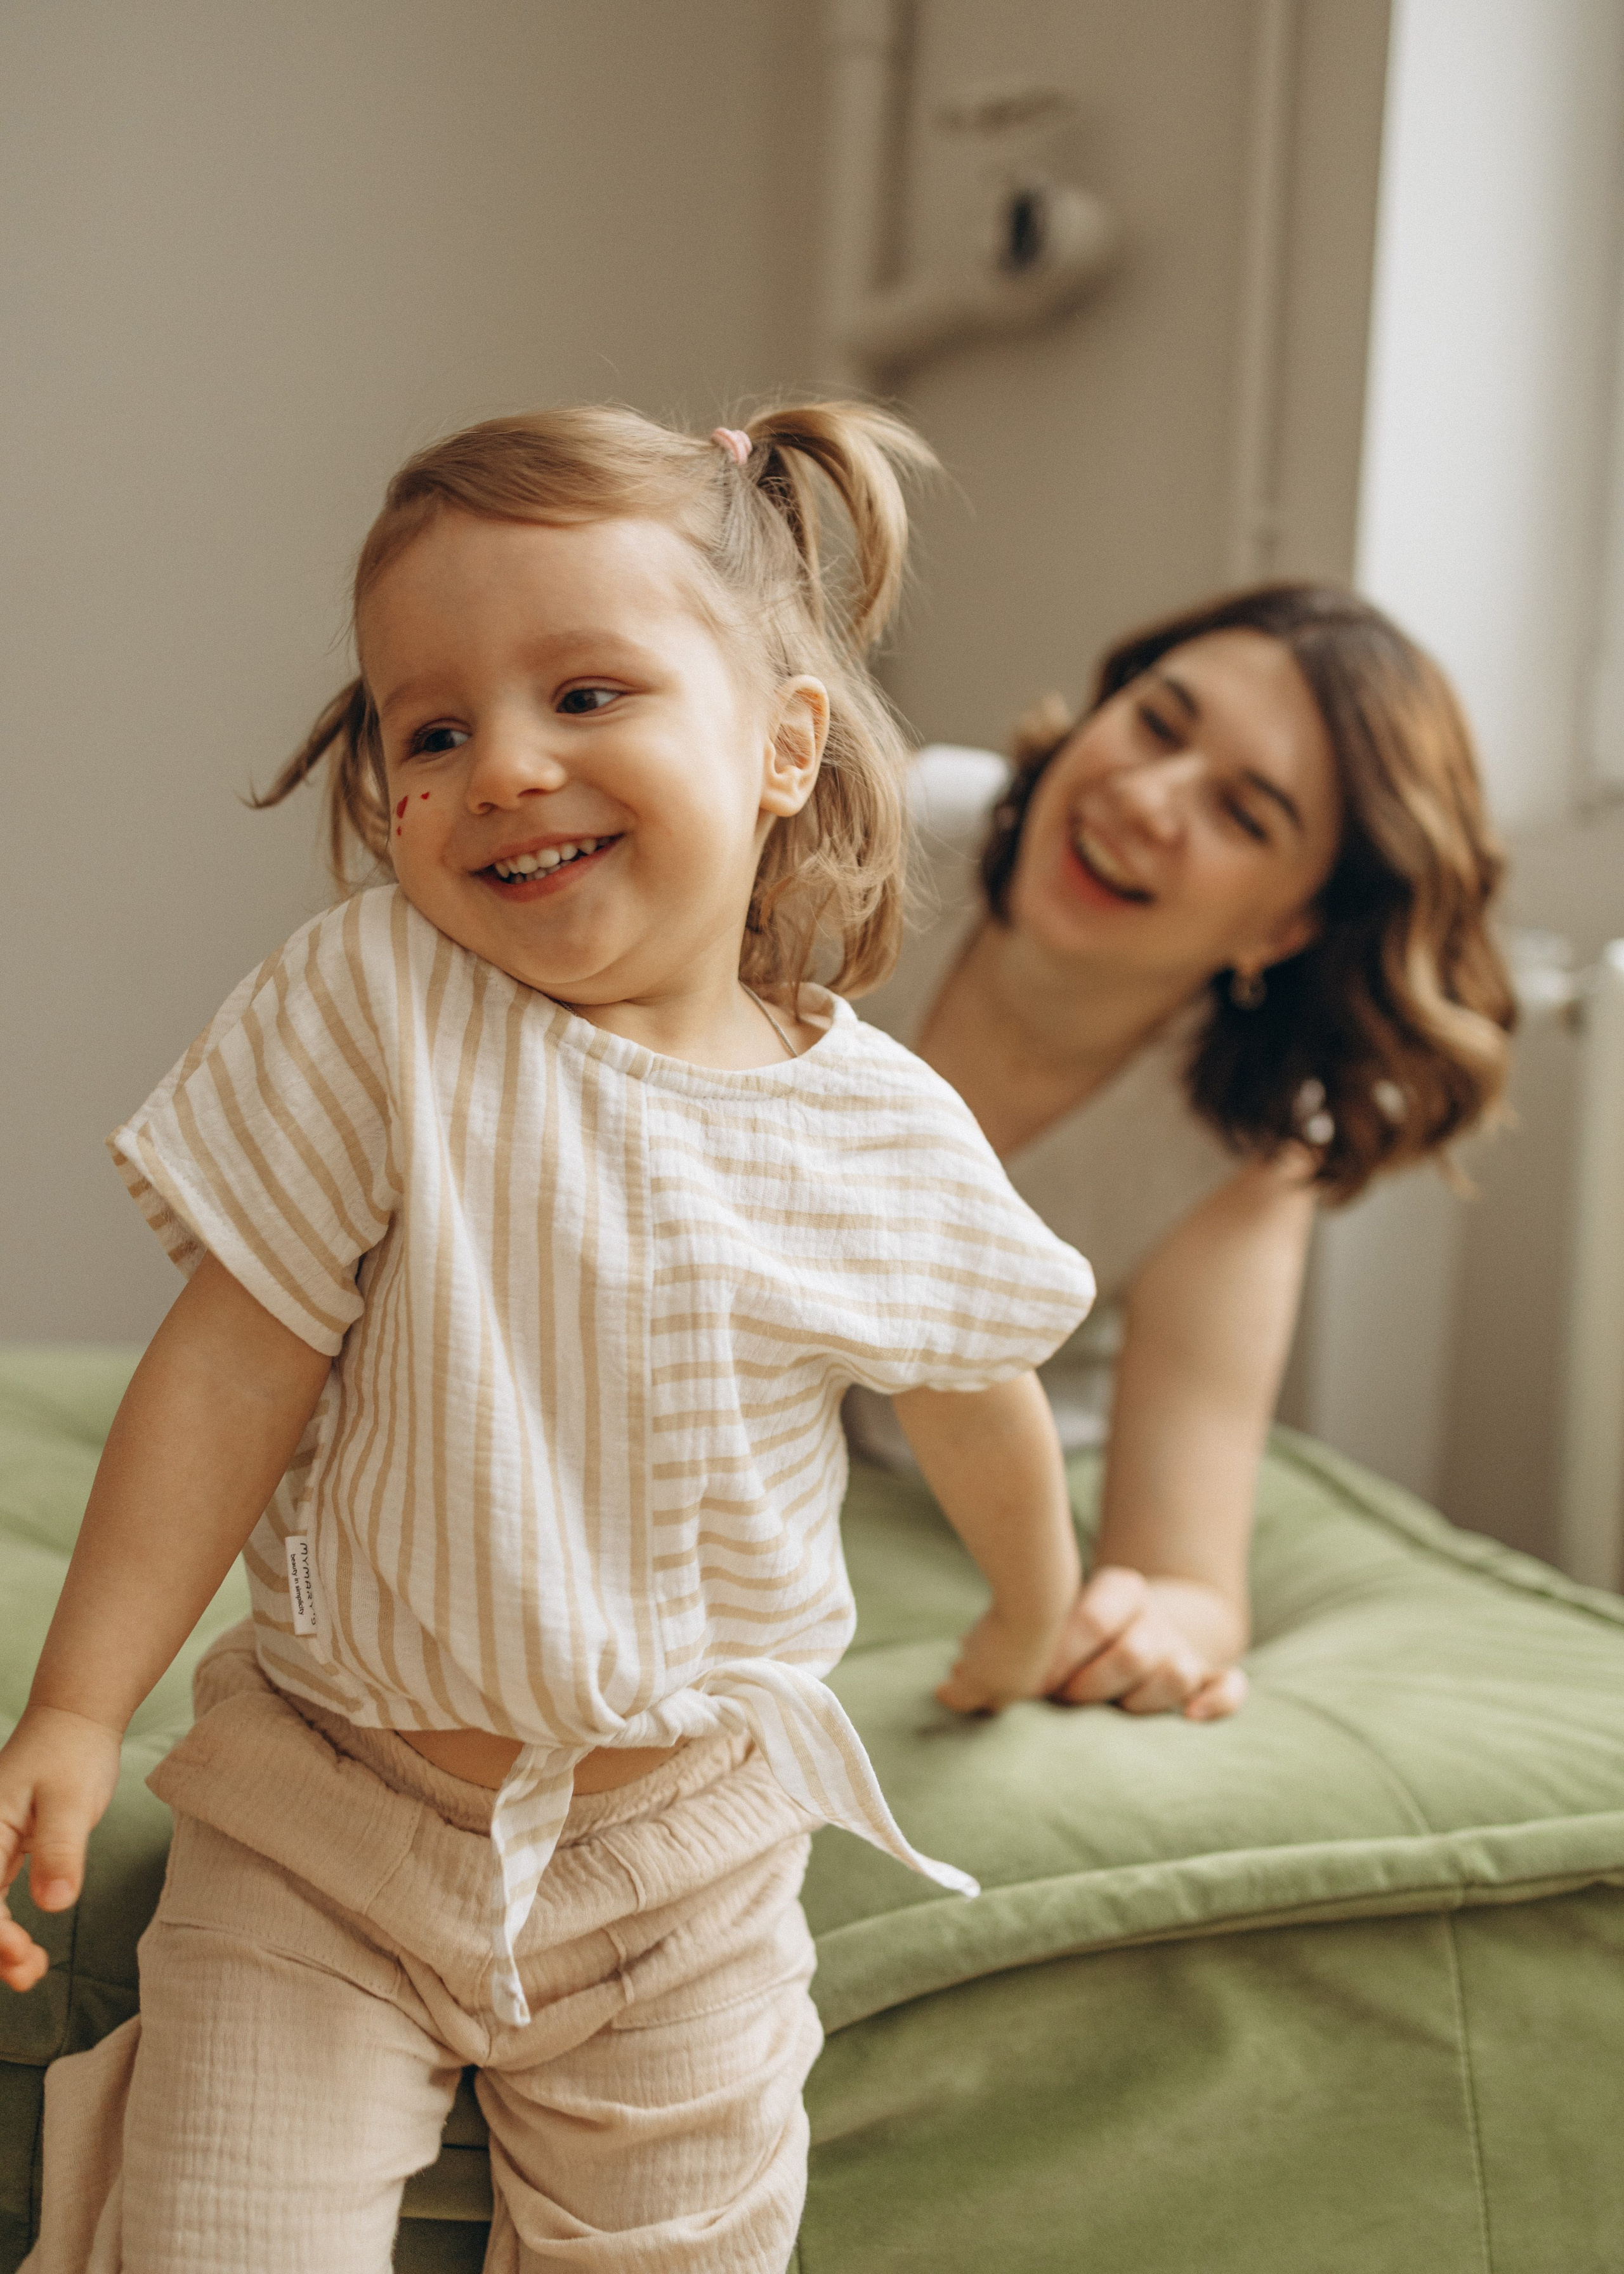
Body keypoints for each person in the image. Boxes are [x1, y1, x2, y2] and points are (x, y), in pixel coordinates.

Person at [0, 404, 1094, 2274]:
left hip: (684, 1861)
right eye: (431, 730)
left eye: (587, 695)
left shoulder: (876, 1130)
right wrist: (84, 1704)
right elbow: (233, 1362)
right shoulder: (379, 1005)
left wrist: (1026, 1617)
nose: (503, 764)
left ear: (781, 745)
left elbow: (977, 1393)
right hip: (323, 1818)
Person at [848, 583, 1515, 1722]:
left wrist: (1146, 1634)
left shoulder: (1242, 1147)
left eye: (1245, 816)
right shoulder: (886, 820)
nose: (1148, 799)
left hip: (924, 1476)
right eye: (1157, 723)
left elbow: (1190, 1581)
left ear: (1284, 928)